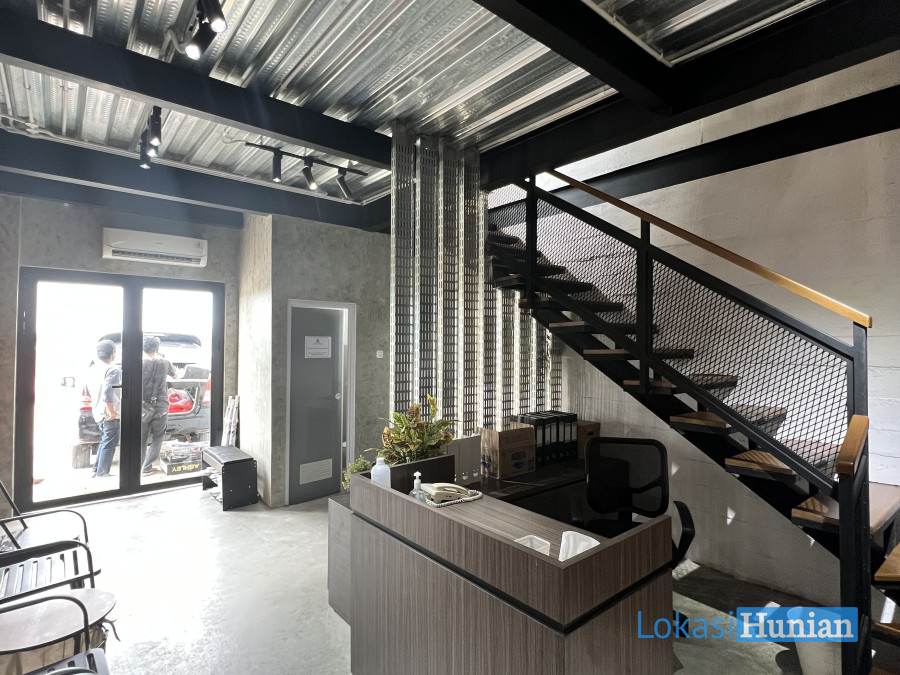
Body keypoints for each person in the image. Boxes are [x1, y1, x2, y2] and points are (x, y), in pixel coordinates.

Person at [140, 336, 176, 476]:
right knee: (158, 436)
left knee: (142, 437)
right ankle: (147, 467)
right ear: (157, 349)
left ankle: (140, 466)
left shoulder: (138, 364)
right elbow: (176, 376)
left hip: (143, 406)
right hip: (161, 406)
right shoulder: (165, 362)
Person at [90, 339, 121, 478]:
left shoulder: (93, 369)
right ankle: (102, 472)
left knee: (106, 440)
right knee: (110, 443)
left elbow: (89, 390)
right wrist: (111, 410)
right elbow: (108, 390)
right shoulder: (113, 370)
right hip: (109, 413)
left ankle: (96, 470)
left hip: (97, 411)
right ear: (113, 353)